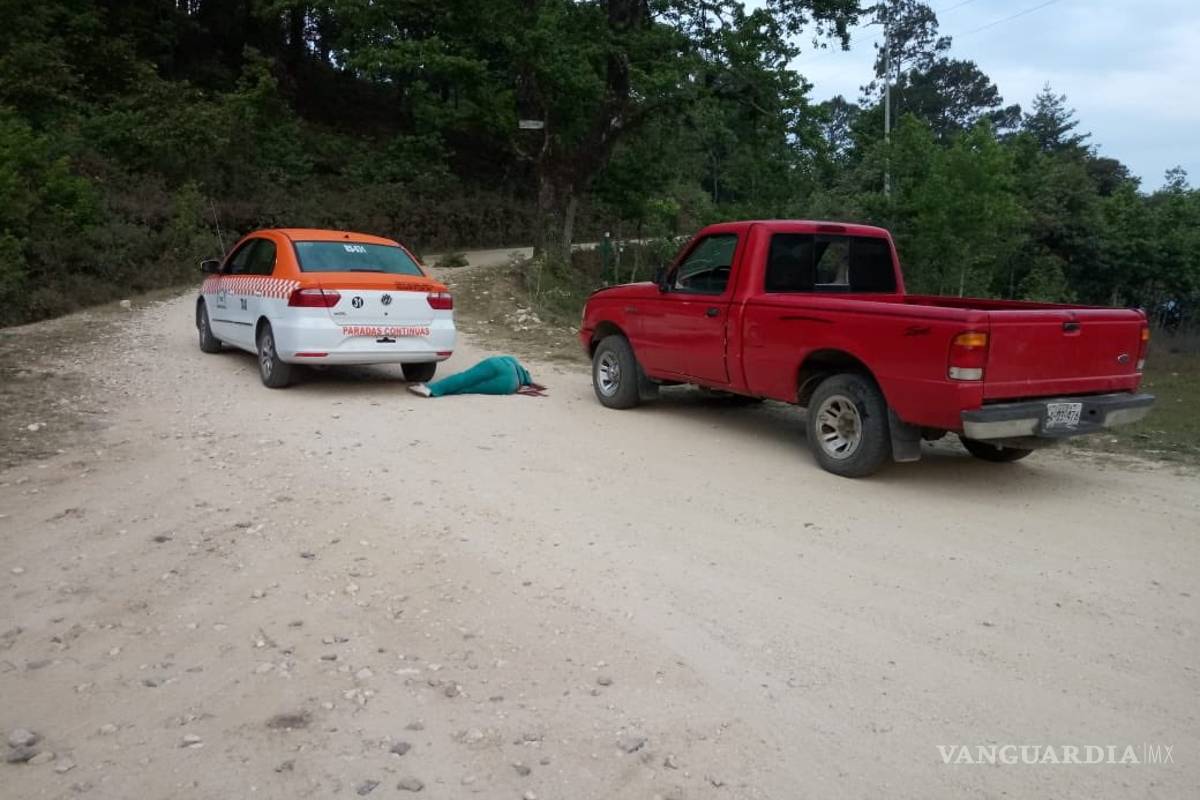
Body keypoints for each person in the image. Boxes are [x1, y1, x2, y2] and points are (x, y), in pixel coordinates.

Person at [408, 355, 545, 397]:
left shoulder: (513, 360)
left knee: (465, 378)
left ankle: (431, 389)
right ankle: (433, 391)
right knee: (468, 388)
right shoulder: (521, 379)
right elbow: (530, 382)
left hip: (497, 364)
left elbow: (507, 358)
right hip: (509, 385)